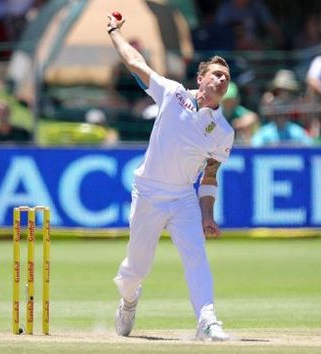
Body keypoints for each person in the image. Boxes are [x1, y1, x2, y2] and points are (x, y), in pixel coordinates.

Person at [107, 13, 233, 341]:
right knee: (137, 269)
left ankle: (208, 320)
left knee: (196, 255)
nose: (222, 80)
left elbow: (209, 176)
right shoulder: (172, 93)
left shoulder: (223, 132)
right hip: (148, 191)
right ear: (201, 77)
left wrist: (207, 214)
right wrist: (114, 33)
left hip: (182, 198)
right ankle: (129, 298)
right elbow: (136, 63)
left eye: (227, 78)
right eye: (217, 74)